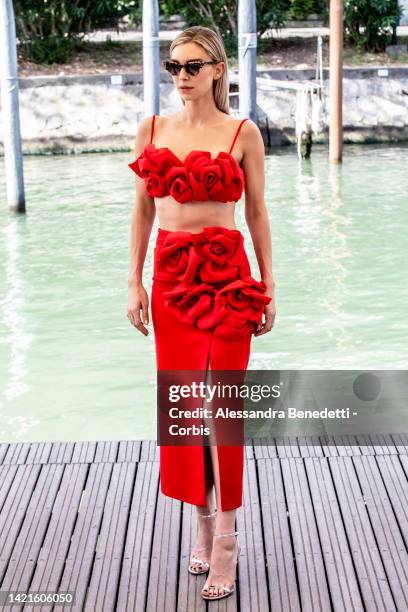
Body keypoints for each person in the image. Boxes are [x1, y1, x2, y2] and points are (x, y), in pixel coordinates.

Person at [127, 25, 276, 602]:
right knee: (185, 407)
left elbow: (258, 213)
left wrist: (269, 283)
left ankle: (229, 537)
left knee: (223, 412)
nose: (181, 77)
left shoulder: (243, 132)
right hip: (169, 281)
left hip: (229, 279)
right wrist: (133, 282)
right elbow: (142, 213)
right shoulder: (153, 130)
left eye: (192, 66)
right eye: (173, 67)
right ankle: (201, 521)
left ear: (217, 69)